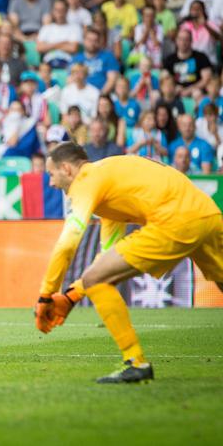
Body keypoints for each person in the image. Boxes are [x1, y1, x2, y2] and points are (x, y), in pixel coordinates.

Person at [35, 143, 223, 382]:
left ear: (67, 169)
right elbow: (107, 256)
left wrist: (46, 295)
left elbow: (67, 244)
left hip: (174, 221)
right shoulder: (109, 181)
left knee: (96, 280)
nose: (51, 183)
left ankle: (136, 362)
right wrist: (73, 295)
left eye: (51, 174)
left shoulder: (86, 180)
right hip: (208, 215)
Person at [163, 29, 213, 99]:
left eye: (186, 39)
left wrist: (189, 89)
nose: (183, 42)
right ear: (176, 41)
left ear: (191, 41)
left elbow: (206, 79)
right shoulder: (169, 59)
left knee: (197, 93)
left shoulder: (201, 57)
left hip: (195, 91)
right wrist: (174, 87)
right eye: (180, 39)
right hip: (176, 91)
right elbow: (164, 78)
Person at [36, 0, 83, 69]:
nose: (59, 13)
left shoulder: (75, 28)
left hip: (68, 63)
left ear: (67, 11)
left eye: (62, 10)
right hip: (48, 64)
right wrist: (63, 43)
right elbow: (39, 48)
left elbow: (73, 48)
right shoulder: (46, 28)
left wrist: (49, 45)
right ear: (53, 11)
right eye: (57, 10)